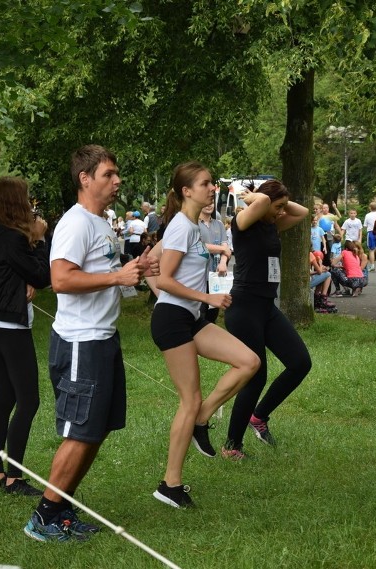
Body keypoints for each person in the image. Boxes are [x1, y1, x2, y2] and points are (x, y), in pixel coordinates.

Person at [23, 145, 159, 542]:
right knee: (80, 431)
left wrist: (131, 272)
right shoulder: (76, 223)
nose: (117, 181)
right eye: (108, 175)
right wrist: (117, 278)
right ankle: (44, 517)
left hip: (103, 338)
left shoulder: (100, 223)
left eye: (117, 175)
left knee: (94, 430)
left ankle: (61, 510)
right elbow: (61, 280)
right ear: (85, 178)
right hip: (81, 342)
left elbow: (99, 275)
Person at [150, 162, 259, 508]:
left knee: (249, 361)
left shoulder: (191, 227)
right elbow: (165, 278)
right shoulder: (182, 227)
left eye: (212, 183)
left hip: (190, 318)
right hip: (172, 319)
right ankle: (170, 485)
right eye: (205, 183)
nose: (212, 188)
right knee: (189, 398)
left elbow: (152, 262)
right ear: (186, 190)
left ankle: (202, 418)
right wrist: (206, 297)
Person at [0, 177, 51, 496]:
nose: (31, 204)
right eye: (27, 199)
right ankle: (14, 478)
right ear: (16, 202)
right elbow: (41, 276)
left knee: (4, 399)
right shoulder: (12, 238)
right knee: (28, 401)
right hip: (11, 326)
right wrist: (41, 240)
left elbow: (11, 272)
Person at [222, 180, 311, 459]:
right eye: (278, 207)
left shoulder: (272, 224)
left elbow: (303, 212)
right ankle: (232, 446)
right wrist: (254, 198)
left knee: (299, 363)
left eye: (283, 207)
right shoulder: (242, 224)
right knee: (255, 376)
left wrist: (279, 201)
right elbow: (260, 204)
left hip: (266, 307)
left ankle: (258, 417)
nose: (282, 212)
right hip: (244, 307)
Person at [197, 202, 232, 323]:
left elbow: (226, 246)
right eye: (205, 203)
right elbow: (199, 247)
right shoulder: (193, 224)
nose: (209, 205)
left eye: (211, 203)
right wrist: (222, 249)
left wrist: (223, 263)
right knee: (199, 312)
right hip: (198, 275)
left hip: (216, 276)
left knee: (213, 313)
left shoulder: (219, 224)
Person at [363, 203, 376, 271]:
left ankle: (372, 265)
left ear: (370, 207)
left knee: (371, 250)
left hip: (371, 232)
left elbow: (365, 225)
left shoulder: (368, 215)